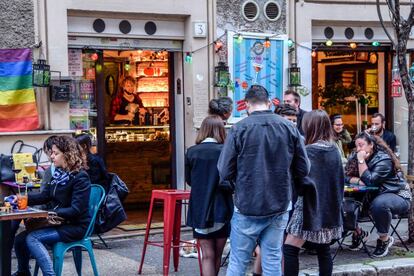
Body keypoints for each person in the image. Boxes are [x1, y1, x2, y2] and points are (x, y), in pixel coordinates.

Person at [218, 85, 310, 275]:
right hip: (280, 201)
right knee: (273, 259)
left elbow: (224, 170)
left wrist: (239, 182)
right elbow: (304, 168)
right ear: (268, 103)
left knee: (238, 261)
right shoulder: (288, 127)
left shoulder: (238, 128)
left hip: (247, 203)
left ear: (245, 105)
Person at [13, 136, 91, 276]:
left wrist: (49, 213)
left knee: (33, 238)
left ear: (68, 154)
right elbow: (45, 196)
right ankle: (23, 272)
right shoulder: (60, 174)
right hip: (59, 222)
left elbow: (76, 210)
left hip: (75, 226)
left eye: (56, 153)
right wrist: (23, 199)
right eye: (52, 153)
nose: (51, 156)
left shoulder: (81, 177)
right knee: (20, 239)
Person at [283, 110, 344, 276]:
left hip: (308, 206)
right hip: (329, 208)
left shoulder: (308, 151)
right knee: (324, 249)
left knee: (289, 248)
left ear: (310, 127)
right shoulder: (334, 151)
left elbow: (300, 181)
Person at [346, 131, 411, 257]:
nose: (358, 149)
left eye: (361, 145)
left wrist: (361, 161)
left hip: (397, 195)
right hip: (371, 195)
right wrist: (358, 180)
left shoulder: (384, 159)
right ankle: (359, 234)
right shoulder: (355, 156)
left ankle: (384, 239)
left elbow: (370, 181)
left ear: (371, 145)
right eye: (357, 146)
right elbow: (344, 176)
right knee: (345, 203)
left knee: (379, 204)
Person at [185, 115, 233, 276]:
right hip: (222, 208)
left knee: (206, 256)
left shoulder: (191, 152)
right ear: (221, 130)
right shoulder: (225, 151)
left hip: (199, 208)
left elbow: (189, 180)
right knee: (217, 255)